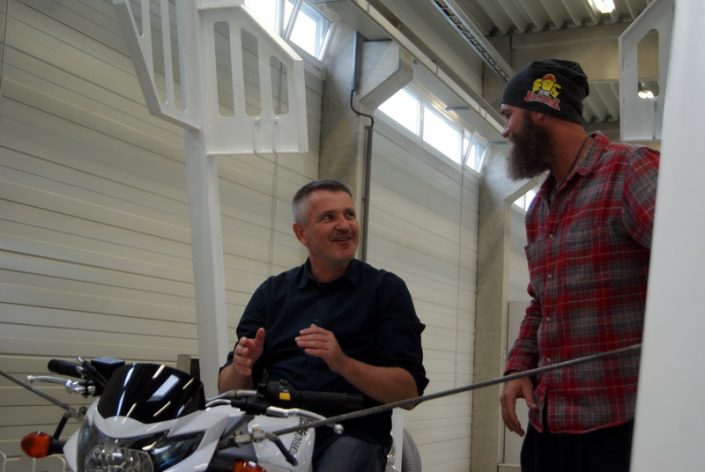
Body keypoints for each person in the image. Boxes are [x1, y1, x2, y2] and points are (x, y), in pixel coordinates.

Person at [497, 59, 659, 472]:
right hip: (551, 426)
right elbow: (541, 302)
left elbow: (690, 264)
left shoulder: (629, 171)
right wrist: (519, 366)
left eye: (509, 114)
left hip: (621, 426)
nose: (505, 130)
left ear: (539, 110)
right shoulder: (540, 207)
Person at [218, 179, 428, 472]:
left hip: (352, 434)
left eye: (349, 214)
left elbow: (409, 393)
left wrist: (343, 363)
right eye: (329, 217)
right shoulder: (272, 292)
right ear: (301, 233)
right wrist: (242, 367)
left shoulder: (386, 290)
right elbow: (227, 389)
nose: (344, 225)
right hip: (275, 430)